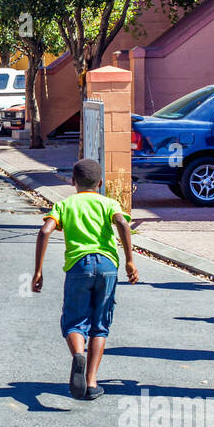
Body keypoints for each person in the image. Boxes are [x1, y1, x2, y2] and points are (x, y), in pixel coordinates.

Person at [32, 159, 139, 401]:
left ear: (73, 182)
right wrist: (130, 260)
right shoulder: (109, 203)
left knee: (74, 321)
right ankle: (91, 382)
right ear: (100, 183)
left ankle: (78, 355)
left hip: (78, 266)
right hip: (107, 266)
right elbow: (122, 222)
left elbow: (45, 231)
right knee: (100, 324)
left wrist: (38, 271)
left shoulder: (64, 205)